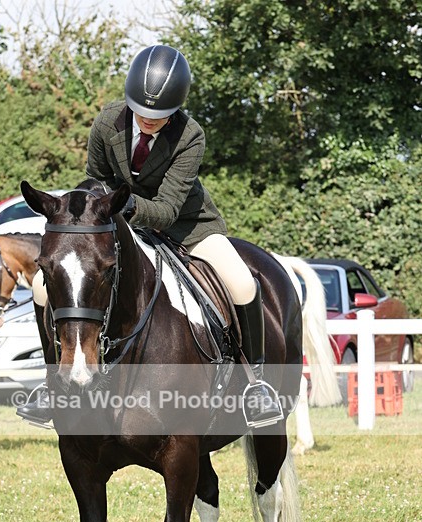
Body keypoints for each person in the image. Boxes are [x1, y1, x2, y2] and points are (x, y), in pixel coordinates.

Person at [18, 44, 282, 428]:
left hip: (186, 225)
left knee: (242, 283)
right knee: (42, 287)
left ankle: (255, 385)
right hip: (115, 225)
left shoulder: (190, 135)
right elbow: (95, 179)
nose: (148, 121)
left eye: (158, 116)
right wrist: (93, 212)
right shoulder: (107, 123)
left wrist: (123, 205)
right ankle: (50, 385)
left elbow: (168, 208)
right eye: (141, 112)